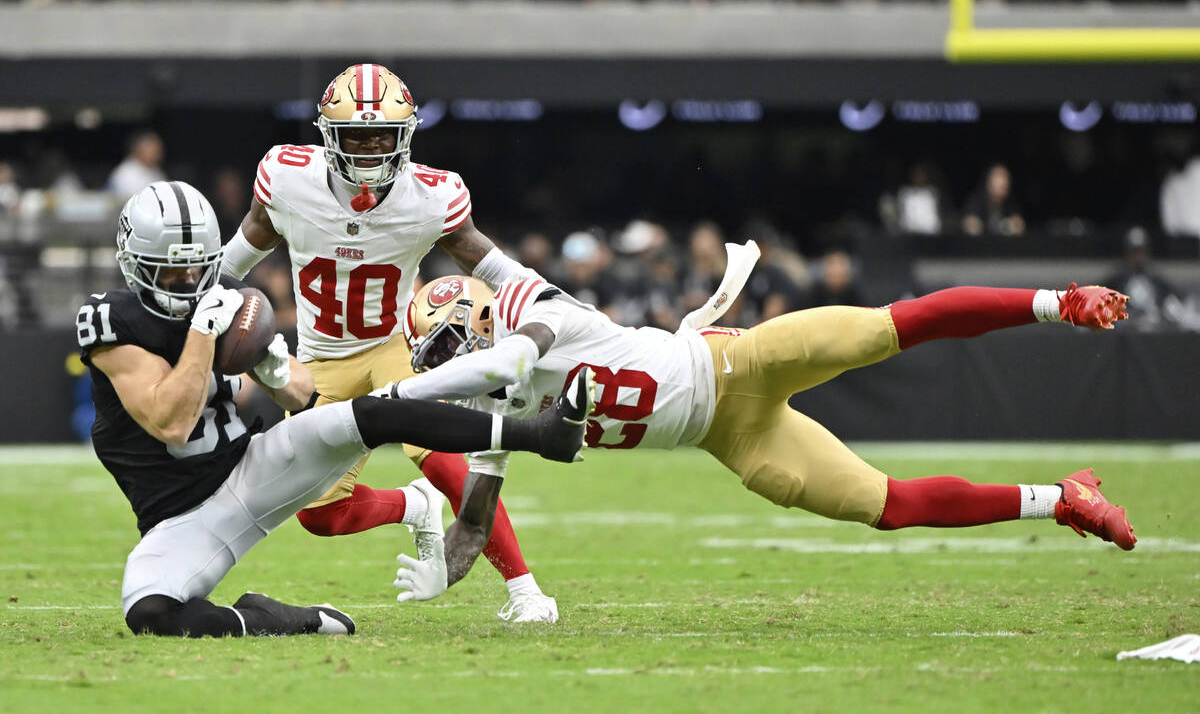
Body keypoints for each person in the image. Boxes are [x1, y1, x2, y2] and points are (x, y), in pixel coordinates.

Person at [379, 269, 1135, 603]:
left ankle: (1055, 301)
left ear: (478, 323)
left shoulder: (533, 317)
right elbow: (476, 522)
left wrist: (1058, 304)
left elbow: (530, 346)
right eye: (434, 364)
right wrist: (447, 570)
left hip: (739, 359)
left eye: (447, 351)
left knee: (894, 326)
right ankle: (1063, 500)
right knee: (888, 506)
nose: (448, 371)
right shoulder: (495, 404)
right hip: (729, 438)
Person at [77, 181, 592, 638]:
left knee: (373, 411)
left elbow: (305, 396)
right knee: (152, 613)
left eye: (196, 267)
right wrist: (203, 330)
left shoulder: (223, 296)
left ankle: (542, 436)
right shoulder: (109, 321)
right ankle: (283, 618)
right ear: (134, 264)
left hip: (251, 467)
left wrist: (276, 370)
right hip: (181, 518)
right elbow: (171, 421)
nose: (188, 282)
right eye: (170, 272)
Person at [219, 63, 560, 623]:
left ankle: (525, 589)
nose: (372, 146)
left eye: (384, 133)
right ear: (329, 134)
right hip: (321, 359)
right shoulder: (286, 179)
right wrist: (200, 294)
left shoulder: (431, 195)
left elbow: (487, 261)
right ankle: (411, 506)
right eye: (357, 133)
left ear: (407, 135)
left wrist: (547, 300)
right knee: (319, 515)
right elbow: (243, 249)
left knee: (443, 457)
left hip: (393, 344)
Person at [106, 130, 166, 200]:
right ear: (138, 149)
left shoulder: (156, 171)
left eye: (158, 149)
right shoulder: (126, 172)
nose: (157, 153)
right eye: (152, 148)